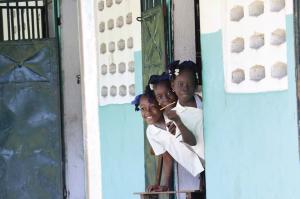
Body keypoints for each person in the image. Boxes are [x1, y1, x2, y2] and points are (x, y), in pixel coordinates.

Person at [131, 92, 204, 192]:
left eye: (152, 107)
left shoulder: (175, 115)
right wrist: (164, 185)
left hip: (206, 153)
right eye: (142, 108)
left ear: (160, 106)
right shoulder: (151, 133)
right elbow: (166, 156)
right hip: (195, 166)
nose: (147, 112)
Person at [167, 60, 206, 192]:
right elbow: (191, 141)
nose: (185, 87)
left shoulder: (204, 98)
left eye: (189, 84)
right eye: (180, 84)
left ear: (196, 85)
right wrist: (178, 121)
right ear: (173, 85)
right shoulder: (174, 116)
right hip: (207, 163)